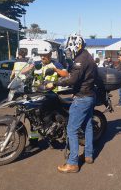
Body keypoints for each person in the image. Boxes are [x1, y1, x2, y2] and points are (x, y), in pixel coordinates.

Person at [45, 33, 97, 173]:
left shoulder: (80, 60)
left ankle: (73, 163)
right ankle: (88, 155)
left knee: (72, 129)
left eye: (69, 48)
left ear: (76, 46)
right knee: (87, 126)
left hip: (82, 98)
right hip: (90, 95)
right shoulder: (88, 57)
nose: (68, 51)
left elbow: (73, 79)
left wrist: (54, 83)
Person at [21, 41, 68, 149]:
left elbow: (66, 74)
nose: (42, 57)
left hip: (51, 95)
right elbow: (23, 72)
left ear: (50, 54)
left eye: (44, 55)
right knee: (33, 118)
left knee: (47, 118)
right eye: (41, 55)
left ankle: (52, 137)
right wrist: (29, 67)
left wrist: (55, 69)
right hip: (38, 94)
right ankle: (33, 142)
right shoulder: (37, 64)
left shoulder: (56, 64)